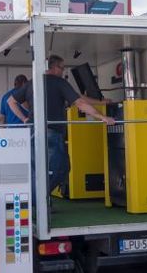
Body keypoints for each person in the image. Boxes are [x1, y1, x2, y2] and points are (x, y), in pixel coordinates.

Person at [8, 54, 115, 194]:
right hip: (52, 133)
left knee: (39, 170)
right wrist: (102, 117)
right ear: (54, 67)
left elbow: (11, 101)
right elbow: (79, 103)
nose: (63, 71)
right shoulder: (59, 82)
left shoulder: (32, 83)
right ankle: (37, 199)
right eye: (62, 68)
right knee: (60, 169)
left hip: (34, 132)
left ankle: (38, 199)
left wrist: (25, 118)